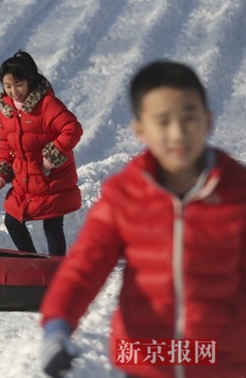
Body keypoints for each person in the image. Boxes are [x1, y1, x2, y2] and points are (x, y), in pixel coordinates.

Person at [40, 60, 246, 378]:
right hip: (146, 362)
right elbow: (85, 264)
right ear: (140, 130)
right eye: (163, 121)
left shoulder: (238, 192)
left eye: (189, 118)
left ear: (207, 120)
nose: (177, 133)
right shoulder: (125, 195)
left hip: (221, 362)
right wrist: (57, 327)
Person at [0, 50, 83, 256]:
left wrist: (53, 155)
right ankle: (32, 262)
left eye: (18, 84)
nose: (14, 91)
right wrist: (0, 175)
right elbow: (5, 145)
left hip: (52, 178)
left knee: (52, 225)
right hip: (24, 180)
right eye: (8, 86)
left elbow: (72, 128)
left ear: (30, 80)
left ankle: (56, 268)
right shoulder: (6, 111)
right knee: (12, 221)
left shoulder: (47, 104)